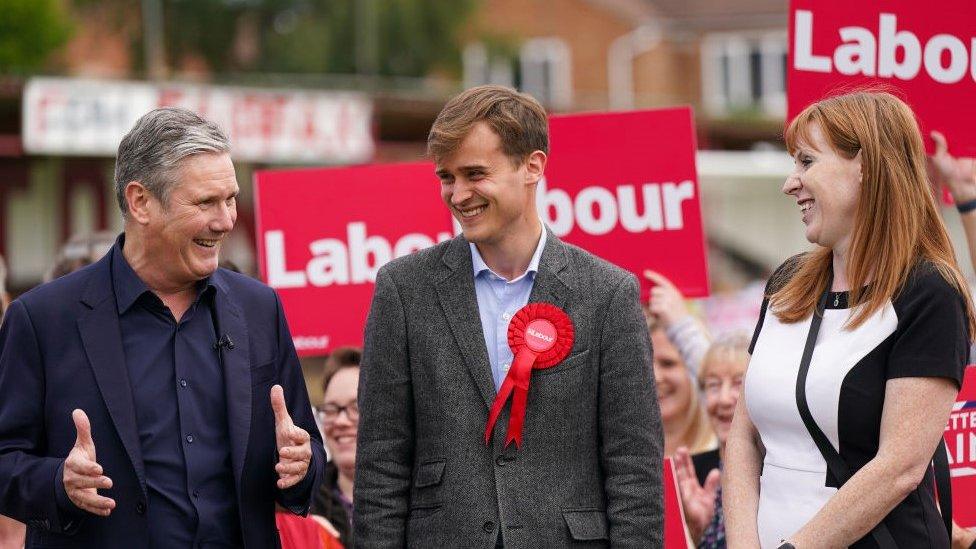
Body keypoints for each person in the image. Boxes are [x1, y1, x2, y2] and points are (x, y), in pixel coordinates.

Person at [0, 107, 325, 547]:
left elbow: (305, 456)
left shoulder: (258, 308)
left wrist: (301, 467)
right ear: (140, 202)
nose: (226, 219)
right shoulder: (43, 319)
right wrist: (59, 482)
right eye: (205, 202)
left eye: (230, 199)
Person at [354, 85, 663, 547]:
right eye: (446, 177)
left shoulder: (608, 293)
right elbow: (381, 462)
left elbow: (634, 467)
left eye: (475, 174)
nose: (458, 195)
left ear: (532, 166)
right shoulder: (404, 288)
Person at [724, 91, 975, 548]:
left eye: (806, 161)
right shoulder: (787, 281)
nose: (790, 182)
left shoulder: (928, 293)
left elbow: (899, 468)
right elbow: (744, 435)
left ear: (865, 166)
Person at [674, 333, 750, 548]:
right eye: (714, 386)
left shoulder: (777, 475)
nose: (724, 399)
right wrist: (694, 531)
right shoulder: (691, 477)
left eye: (738, 384)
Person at [310, 346, 361, 547]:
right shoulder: (303, 504)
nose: (340, 421)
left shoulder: (418, 504)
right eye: (331, 409)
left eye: (356, 407)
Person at [650, 320, 715, 456]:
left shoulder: (725, 448)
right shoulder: (616, 453)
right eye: (643, 365)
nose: (655, 376)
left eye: (668, 363)